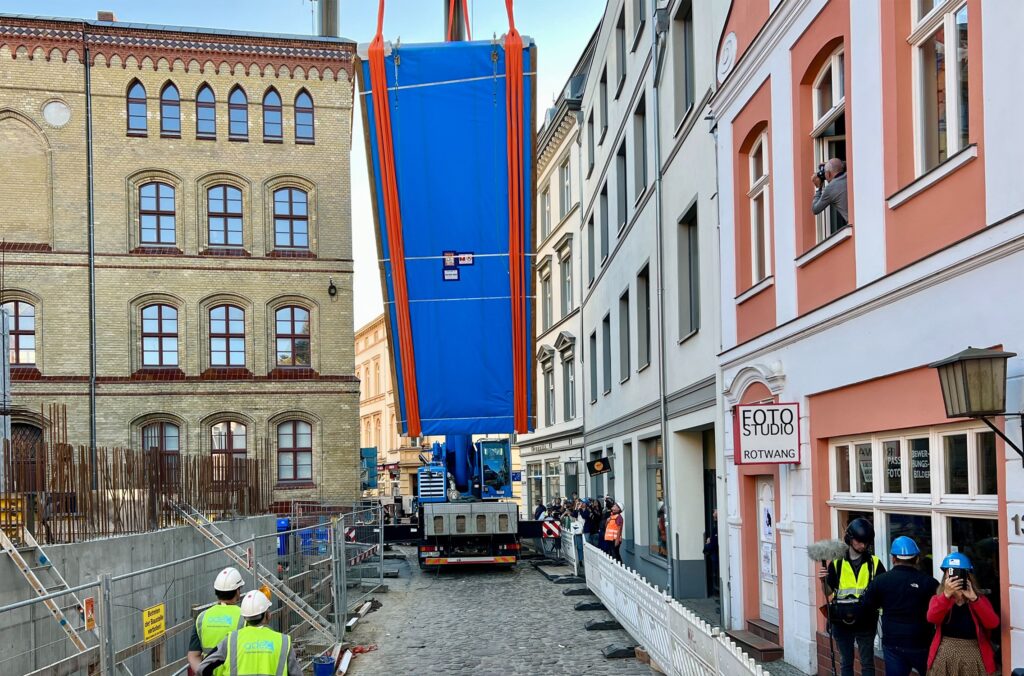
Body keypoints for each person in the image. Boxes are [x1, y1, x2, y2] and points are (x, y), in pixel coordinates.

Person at [861, 536, 937, 676]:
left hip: (893, 643)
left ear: (893, 559)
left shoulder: (880, 581)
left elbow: (867, 606)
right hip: (922, 642)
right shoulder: (929, 583)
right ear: (917, 559)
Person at [821, 517, 885, 676]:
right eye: (859, 541)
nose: (863, 545)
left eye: (866, 542)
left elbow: (882, 592)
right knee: (846, 662)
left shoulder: (875, 563)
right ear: (849, 538)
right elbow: (828, 594)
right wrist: (823, 581)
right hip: (841, 621)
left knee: (867, 663)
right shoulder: (837, 563)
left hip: (866, 620)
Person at [196, 589, 303, 676]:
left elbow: (203, 668)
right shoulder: (283, 642)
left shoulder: (231, 640)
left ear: (245, 617)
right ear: (267, 615)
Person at [926, 552, 1000, 676]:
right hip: (945, 655)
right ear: (945, 576)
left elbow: (993, 623)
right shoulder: (938, 599)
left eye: (960, 573)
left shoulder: (979, 599)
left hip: (973, 655)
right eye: (951, 573)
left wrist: (974, 598)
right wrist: (946, 595)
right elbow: (932, 618)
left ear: (968, 576)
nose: (956, 577)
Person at [187, 567, 245, 673]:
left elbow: (193, 655)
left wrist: (203, 672)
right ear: (237, 591)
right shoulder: (244, 616)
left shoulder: (202, 618)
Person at [811, 157, 848, 223]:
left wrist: (818, 188)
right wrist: (832, 164)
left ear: (828, 174)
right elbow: (851, 163)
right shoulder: (851, 174)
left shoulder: (830, 188)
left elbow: (815, 209)